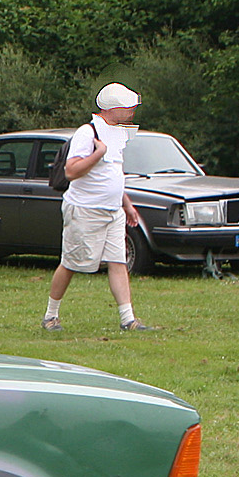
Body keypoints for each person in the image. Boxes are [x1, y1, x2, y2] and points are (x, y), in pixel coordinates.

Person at [44, 83, 156, 331]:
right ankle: (50, 316)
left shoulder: (118, 133)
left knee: (118, 262)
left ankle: (128, 320)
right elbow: (71, 171)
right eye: (128, 107)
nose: (132, 111)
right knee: (71, 263)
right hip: (85, 210)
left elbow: (113, 175)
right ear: (112, 108)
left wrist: (127, 205)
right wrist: (98, 153)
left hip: (113, 212)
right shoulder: (88, 132)